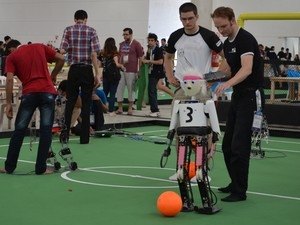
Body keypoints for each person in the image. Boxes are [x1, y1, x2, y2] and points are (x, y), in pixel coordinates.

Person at [164, 2, 224, 181]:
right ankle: (180, 168)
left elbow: (227, 58)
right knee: (178, 130)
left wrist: (213, 78)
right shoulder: (175, 36)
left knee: (203, 132)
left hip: (202, 91)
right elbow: (167, 57)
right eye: (183, 19)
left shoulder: (209, 35)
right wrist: (170, 77)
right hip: (182, 90)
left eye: (190, 18)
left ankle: (202, 171)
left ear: (197, 17)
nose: (187, 22)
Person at [211, 6, 265, 202]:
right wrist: (205, 78)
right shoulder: (227, 43)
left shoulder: (246, 39)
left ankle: (240, 191)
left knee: (239, 145)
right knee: (227, 145)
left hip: (251, 97)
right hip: (238, 97)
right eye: (218, 27)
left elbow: (246, 69)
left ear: (233, 20)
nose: (221, 30)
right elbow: (225, 69)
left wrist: (226, 84)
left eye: (223, 26)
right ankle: (235, 182)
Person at [0, 40, 65, 175]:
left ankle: (9, 167)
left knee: (19, 130)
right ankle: (41, 168)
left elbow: (10, 80)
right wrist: (52, 76)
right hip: (47, 92)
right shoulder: (39, 46)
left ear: (12, 48)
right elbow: (61, 58)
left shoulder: (12, 57)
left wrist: (8, 103)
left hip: (29, 94)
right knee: (46, 130)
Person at [59, 9, 101, 144]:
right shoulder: (92, 31)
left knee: (70, 102)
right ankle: (84, 138)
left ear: (74, 19)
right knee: (86, 103)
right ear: (86, 19)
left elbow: (62, 50)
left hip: (74, 69)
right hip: (87, 69)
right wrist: (97, 74)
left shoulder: (68, 30)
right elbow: (94, 54)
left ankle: (64, 135)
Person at [116, 27, 144, 115]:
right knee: (119, 89)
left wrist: (139, 70)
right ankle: (120, 108)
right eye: (123, 34)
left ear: (131, 34)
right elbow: (119, 55)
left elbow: (141, 57)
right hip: (122, 70)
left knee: (131, 89)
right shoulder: (121, 44)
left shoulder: (136, 44)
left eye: (126, 34)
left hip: (132, 70)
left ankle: (130, 108)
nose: (124, 36)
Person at [99, 37, 125, 115]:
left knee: (104, 93)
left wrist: (99, 74)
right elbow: (117, 64)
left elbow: (100, 65)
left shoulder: (103, 53)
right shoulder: (115, 53)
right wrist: (122, 66)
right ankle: (111, 110)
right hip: (114, 76)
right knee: (112, 94)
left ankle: (101, 108)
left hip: (105, 75)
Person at [142, 33, 164, 117]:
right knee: (152, 90)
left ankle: (155, 110)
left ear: (155, 41)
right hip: (150, 72)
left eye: (152, 40)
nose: (150, 42)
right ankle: (154, 109)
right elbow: (147, 59)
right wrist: (144, 59)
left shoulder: (158, 50)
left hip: (157, 72)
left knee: (152, 90)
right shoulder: (149, 50)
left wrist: (149, 61)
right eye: (149, 40)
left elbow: (160, 62)